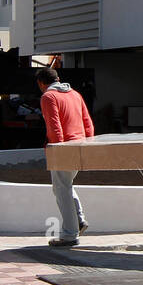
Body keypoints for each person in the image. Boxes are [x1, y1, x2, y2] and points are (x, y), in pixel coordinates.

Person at [38, 68, 95, 247]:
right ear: (58, 79)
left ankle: (70, 235)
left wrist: (57, 151)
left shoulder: (48, 97)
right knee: (64, 186)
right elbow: (88, 123)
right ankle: (78, 219)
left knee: (61, 190)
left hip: (63, 148)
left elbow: (54, 127)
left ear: (41, 83)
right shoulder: (75, 94)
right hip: (80, 145)